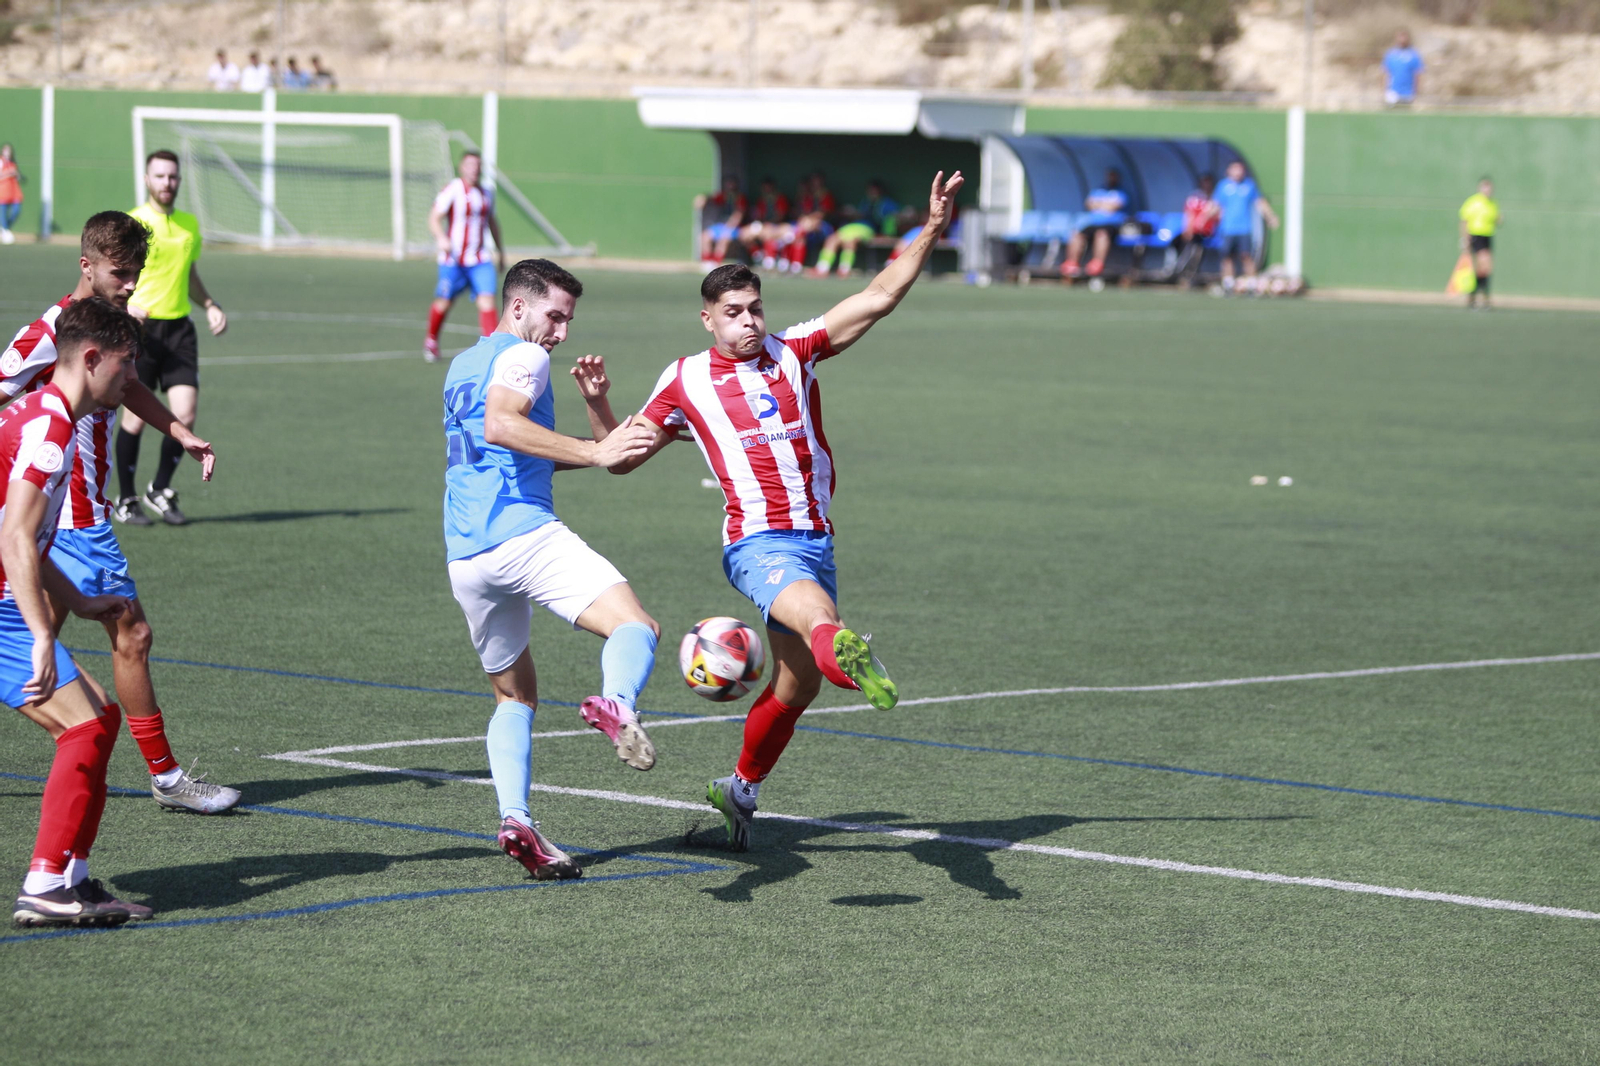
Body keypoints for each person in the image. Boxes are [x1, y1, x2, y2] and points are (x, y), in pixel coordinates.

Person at [612, 170, 964, 852]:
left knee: (796, 688)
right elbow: (626, 455)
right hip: (757, 542)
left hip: (817, 540)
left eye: (756, 309)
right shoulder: (683, 379)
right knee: (821, 621)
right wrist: (601, 412)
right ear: (708, 319)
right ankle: (851, 653)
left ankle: (738, 790)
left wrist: (932, 229)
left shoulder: (795, 352)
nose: (749, 323)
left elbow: (879, 295)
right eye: (734, 313)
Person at [3, 211, 235, 815]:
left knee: (38, 637)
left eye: (136, 272)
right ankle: (166, 778)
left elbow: (127, 387)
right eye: (119, 272)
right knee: (132, 631)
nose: (130, 282)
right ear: (86, 266)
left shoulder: (105, 327)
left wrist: (180, 433)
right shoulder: (50, 331)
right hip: (75, 518)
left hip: (68, 516)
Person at [441, 259, 660, 880]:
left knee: (514, 695)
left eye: (568, 319)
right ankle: (618, 703)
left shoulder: (463, 366)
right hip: (522, 535)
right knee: (635, 627)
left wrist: (595, 414)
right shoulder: (526, 359)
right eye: (554, 316)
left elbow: (514, 450)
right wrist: (595, 448)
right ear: (518, 308)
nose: (561, 331)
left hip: (467, 554)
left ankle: (516, 819)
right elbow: (502, 425)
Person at [5, 297, 152, 927]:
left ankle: (73, 878)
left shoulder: (50, 418)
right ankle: (45, 883)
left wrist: (80, 601)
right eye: (123, 368)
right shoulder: (51, 430)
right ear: (90, 359)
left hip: (10, 600)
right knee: (85, 728)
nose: (128, 381)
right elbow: (15, 534)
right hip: (5, 610)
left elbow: (29, 541)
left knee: (99, 719)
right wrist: (43, 631)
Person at [116, 150, 227, 526]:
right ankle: (127, 498)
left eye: (173, 177)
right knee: (135, 420)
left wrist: (209, 303)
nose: (167, 183)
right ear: (147, 179)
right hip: (141, 331)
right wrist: (127, 308)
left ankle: (159, 489)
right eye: (160, 176)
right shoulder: (132, 222)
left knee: (186, 415)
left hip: (180, 328)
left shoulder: (189, 225)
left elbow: (189, 274)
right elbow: (115, 275)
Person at [425, 151, 505, 363]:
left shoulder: (487, 193)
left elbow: (492, 223)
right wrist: (441, 237)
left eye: (477, 165)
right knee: (444, 301)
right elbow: (434, 217)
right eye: (470, 165)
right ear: (462, 167)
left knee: (487, 300)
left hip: (479, 260)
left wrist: (500, 251)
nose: (474, 169)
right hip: (453, 260)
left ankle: (491, 349)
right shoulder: (452, 189)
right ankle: (431, 340)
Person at [1214, 160, 1279, 294]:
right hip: (1227, 229)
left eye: (1240, 169)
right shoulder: (1223, 186)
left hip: (1244, 228)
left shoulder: (1249, 186)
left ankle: (1252, 286)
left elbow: (1260, 203)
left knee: (1246, 256)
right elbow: (1215, 205)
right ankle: (1228, 285)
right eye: (1235, 169)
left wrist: (1270, 216)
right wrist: (1204, 218)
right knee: (1227, 257)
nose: (1238, 172)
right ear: (1229, 170)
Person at [812, 179, 899, 277]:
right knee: (832, 239)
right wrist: (852, 213)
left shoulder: (888, 203)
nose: (872, 193)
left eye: (875, 190)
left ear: (880, 191)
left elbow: (891, 220)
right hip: (853, 226)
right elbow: (861, 215)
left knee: (850, 241)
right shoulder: (865, 202)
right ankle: (822, 269)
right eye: (870, 190)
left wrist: (886, 234)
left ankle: (844, 270)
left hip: (868, 229)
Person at [1061, 169, 1129, 279]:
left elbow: (1114, 207)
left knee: (1101, 234)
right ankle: (1072, 263)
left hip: (1111, 225)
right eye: (1109, 176)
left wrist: (1099, 204)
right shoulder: (1098, 190)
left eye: (1113, 176)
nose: (1111, 179)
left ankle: (1097, 263)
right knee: (1077, 234)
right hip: (1094, 223)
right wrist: (1106, 205)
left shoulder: (1121, 192)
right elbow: (1089, 204)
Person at [1459, 177, 1500, 310]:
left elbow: (1496, 219)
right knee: (1484, 265)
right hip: (1476, 236)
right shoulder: (1473, 202)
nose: (1487, 190)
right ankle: (1483, 298)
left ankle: (1474, 297)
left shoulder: (1493, 203)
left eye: (1489, 187)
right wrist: (1465, 239)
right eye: (1485, 187)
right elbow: (1464, 220)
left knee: (1484, 269)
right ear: (1480, 188)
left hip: (1488, 236)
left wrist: (1498, 220)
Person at [1173, 171, 1220, 283]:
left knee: (1197, 251)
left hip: (1209, 232)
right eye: (1204, 182)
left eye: (1209, 183)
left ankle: (1191, 274)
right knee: (1189, 249)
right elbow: (1189, 214)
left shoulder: (1216, 198)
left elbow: (1219, 214)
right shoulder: (1195, 197)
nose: (1206, 185)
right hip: (1196, 231)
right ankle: (1180, 273)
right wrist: (1188, 228)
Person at [739, 177, 792, 271]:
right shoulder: (761, 200)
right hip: (763, 225)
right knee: (744, 233)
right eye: (764, 188)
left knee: (769, 233)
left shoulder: (780, 198)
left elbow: (781, 216)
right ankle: (758, 256)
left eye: (768, 188)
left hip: (777, 226)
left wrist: (769, 224)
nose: (766, 190)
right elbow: (758, 216)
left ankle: (770, 260)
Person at [695, 176, 746, 269]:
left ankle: (716, 263)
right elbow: (711, 198)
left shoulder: (740, 198)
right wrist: (703, 198)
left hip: (735, 228)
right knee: (704, 236)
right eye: (728, 185)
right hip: (720, 226)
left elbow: (739, 214)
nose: (730, 187)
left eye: (732, 185)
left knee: (724, 239)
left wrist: (729, 227)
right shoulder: (723, 196)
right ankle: (706, 261)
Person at [1383, 30, 1424, 107]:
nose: (1402, 39)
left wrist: (1416, 91)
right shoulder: (1391, 54)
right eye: (1400, 37)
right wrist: (1384, 90)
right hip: (1393, 92)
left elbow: (1417, 74)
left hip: (1408, 92)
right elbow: (1386, 73)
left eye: (1404, 37)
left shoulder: (1414, 54)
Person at [0, 144, 22, 245]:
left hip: (13, 192)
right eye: (5, 150)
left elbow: (18, 177)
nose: (7, 152)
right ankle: (5, 231)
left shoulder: (12, 163)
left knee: (16, 211)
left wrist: (16, 174)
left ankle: (5, 229)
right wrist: (9, 173)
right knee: (2, 215)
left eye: (9, 150)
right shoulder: (1, 162)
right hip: (2, 192)